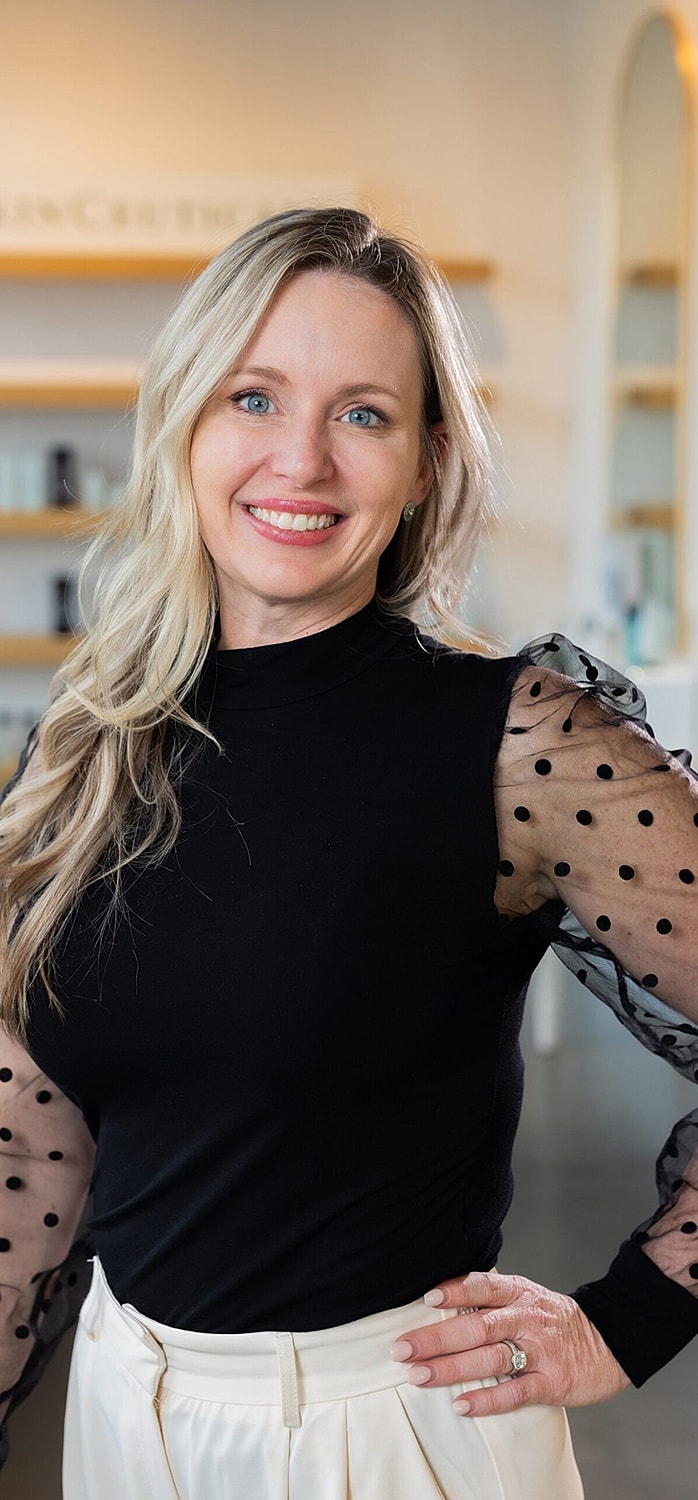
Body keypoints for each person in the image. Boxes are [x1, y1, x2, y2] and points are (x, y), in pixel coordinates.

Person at [1, 205, 697, 1499]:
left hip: (385, 1437)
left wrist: (628, 1322)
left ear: (427, 461)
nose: (302, 459)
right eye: (254, 398)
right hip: (120, 1409)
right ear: (187, 421)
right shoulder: (85, 747)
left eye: (362, 414)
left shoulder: (520, 745)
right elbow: (35, 1150)